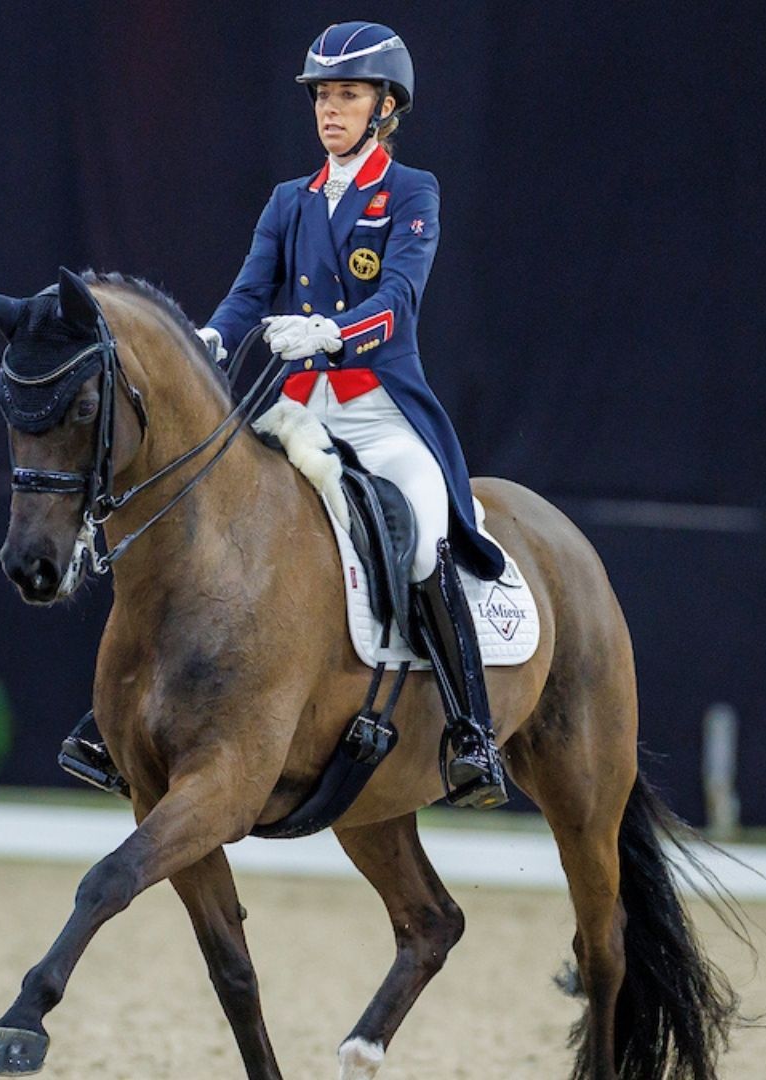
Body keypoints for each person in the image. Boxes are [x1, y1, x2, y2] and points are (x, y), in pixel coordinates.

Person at [196, 21, 510, 809]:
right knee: (205, 510)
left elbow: (398, 300)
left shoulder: (411, 193)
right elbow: (246, 293)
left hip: (377, 407)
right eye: (322, 97)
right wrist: (207, 336)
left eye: (348, 95)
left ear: (385, 107)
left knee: (424, 535)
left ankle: (470, 731)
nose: (330, 111)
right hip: (300, 405)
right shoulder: (288, 201)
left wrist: (334, 332)